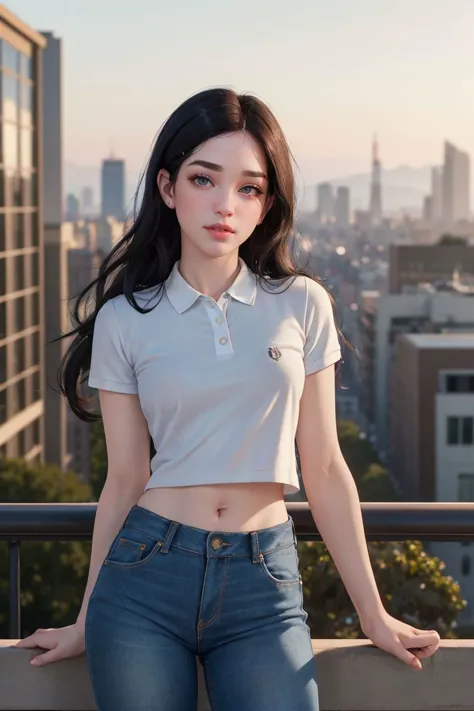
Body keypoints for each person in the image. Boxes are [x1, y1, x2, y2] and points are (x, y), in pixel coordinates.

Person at [16, 87, 440, 710]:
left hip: (262, 583)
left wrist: (372, 613)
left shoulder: (303, 304)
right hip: (142, 579)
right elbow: (125, 477)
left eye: (248, 187)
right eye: (203, 179)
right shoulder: (126, 320)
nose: (224, 205)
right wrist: (85, 618)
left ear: (268, 202)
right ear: (167, 188)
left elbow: (323, 467)